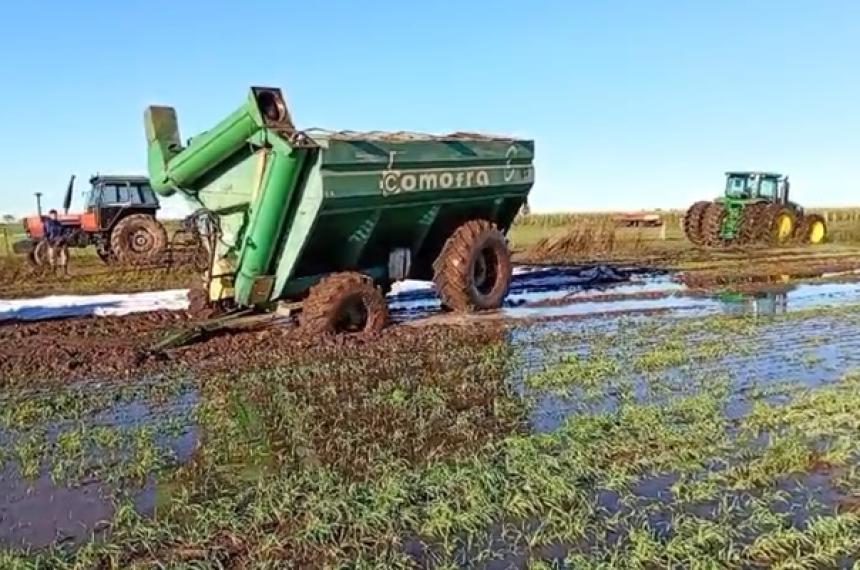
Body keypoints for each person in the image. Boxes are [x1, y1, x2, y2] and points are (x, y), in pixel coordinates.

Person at [42, 209, 69, 276]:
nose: (54, 216)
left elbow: (64, 233)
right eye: (53, 215)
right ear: (50, 215)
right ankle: (54, 273)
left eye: (55, 214)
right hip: (52, 242)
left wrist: (62, 239)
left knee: (64, 256)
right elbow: (45, 234)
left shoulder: (59, 223)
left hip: (61, 242)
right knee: (52, 257)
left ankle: (65, 273)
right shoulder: (47, 224)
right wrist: (48, 242)